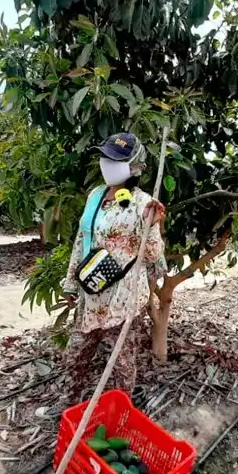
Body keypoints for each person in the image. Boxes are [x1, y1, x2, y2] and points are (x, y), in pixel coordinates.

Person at [60, 132, 167, 402]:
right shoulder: (95, 195)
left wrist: (151, 225)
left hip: (124, 298)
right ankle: (69, 404)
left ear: (135, 166)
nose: (106, 163)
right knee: (75, 357)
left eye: (115, 159)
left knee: (122, 363)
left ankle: (120, 412)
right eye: (105, 156)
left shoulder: (143, 203)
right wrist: (71, 283)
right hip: (92, 292)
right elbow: (82, 239)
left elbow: (153, 255)